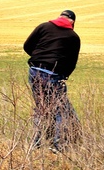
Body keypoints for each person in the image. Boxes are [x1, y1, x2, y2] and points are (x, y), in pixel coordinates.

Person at [23, 9, 81, 152]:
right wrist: (64, 75)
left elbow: (27, 46)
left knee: (42, 107)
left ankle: (35, 143)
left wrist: (39, 56)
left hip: (35, 71)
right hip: (54, 76)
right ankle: (58, 145)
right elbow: (72, 62)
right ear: (72, 22)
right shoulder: (73, 37)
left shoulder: (43, 27)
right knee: (61, 110)